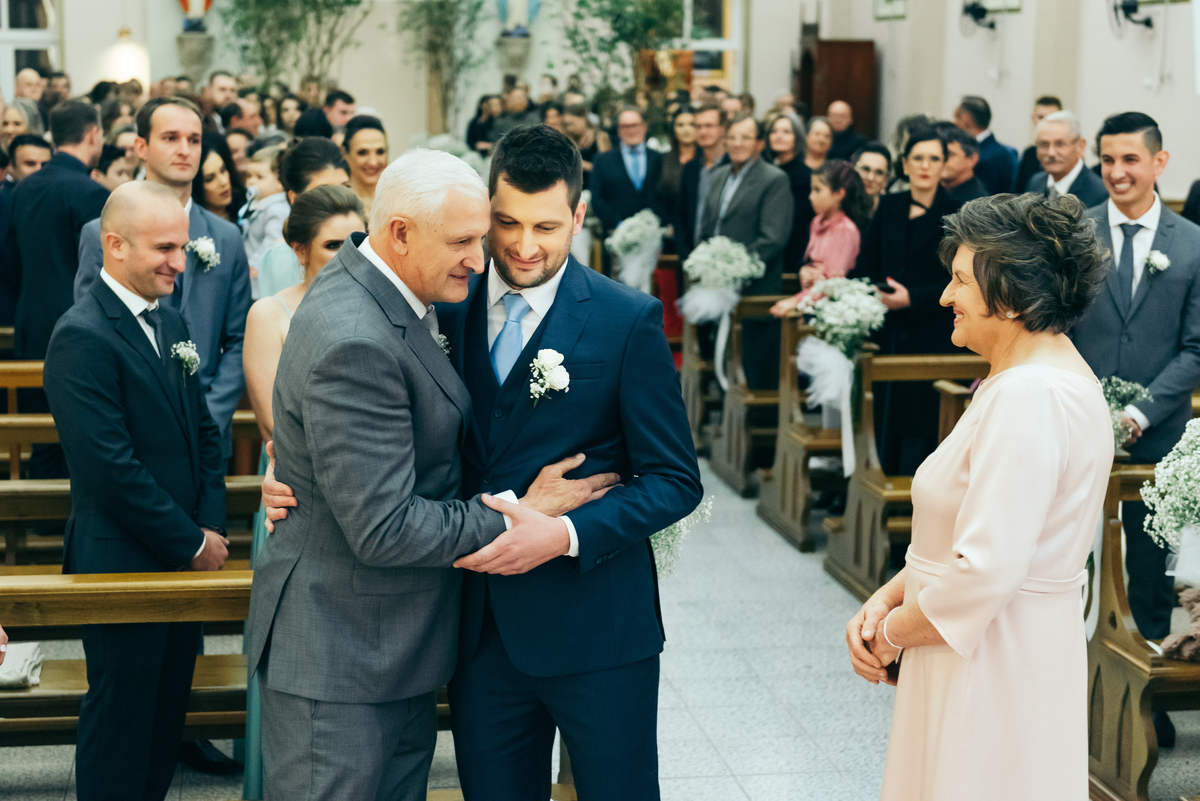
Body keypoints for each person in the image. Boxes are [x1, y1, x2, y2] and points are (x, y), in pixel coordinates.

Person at [248, 147, 607, 800]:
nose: (481, 257)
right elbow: (384, 527)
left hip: (387, 645)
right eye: (465, 240)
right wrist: (523, 507)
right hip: (342, 654)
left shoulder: (381, 285)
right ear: (400, 232)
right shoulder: (357, 336)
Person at [846, 191, 1113, 800]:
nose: (944, 296)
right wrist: (887, 598)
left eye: (961, 280)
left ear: (1012, 296)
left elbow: (983, 573)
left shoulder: (1033, 396)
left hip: (991, 655)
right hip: (976, 636)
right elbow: (959, 532)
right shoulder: (1024, 381)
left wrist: (887, 638)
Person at [44, 181, 231, 801]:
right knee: (121, 722)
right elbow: (109, 467)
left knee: (163, 719)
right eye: (165, 248)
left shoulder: (170, 319)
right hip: (119, 561)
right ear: (114, 246)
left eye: (182, 246)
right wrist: (189, 540)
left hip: (181, 558)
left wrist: (210, 528)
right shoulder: (82, 335)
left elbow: (203, 433)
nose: (180, 262)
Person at [1070, 112, 1200, 748]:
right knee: (1073, 563)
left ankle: (1145, 703)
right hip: (1076, 427)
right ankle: (1072, 692)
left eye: (1130, 160)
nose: (1117, 173)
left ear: (1159, 161)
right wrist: (1083, 402)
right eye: (1107, 161)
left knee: (1149, 574)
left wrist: (1137, 411)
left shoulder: (1193, 242)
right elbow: (1054, 326)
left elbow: (1197, 348)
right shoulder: (1075, 233)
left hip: (1157, 439)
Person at [239, 184, 366, 800]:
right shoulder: (274, 314)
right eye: (333, 244)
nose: (349, 253)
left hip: (364, 501)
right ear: (298, 249)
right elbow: (273, 425)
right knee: (300, 662)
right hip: (295, 495)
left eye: (357, 240)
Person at [76, 96, 253, 464]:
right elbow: (90, 336)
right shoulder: (101, 234)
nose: (185, 150)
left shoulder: (226, 237)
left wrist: (210, 417)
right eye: (171, 138)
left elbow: (238, 339)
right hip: (130, 436)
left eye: (194, 139)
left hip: (206, 433)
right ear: (141, 146)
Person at [850, 127, 963, 475]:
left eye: (934, 159)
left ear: (945, 165)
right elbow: (865, 262)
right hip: (887, 331)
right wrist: (874, 289)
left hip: (932, 332)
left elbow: (959, 279)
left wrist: (912, 298)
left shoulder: (958, 212)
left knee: (918, 425)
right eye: (918, 158)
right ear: (904, 164)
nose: (925, 166)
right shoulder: (890, 205)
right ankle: (870, 495)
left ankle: (911, 507)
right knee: (879, 416)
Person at [10, 101, 107, 478]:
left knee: (40, 433)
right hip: (73, 323)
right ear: (93, 135)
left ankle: (38, 520)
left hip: (30, 319)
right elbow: (98, 269)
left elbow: (10, 258)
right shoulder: (89, 192)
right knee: (76, 430)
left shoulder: (24, 187)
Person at [699, 115, 794, 390]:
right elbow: (708, 227)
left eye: (745, 137)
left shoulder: (774, 179)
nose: (737, 143)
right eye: (732, 138)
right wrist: (708, 263)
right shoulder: (718, 175)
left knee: (754, 367)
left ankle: (758, 425)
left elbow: (773, 238)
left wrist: (733, 269)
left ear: (760, 143)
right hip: (717, 283)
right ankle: (730, 421)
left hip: (755, 287)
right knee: (725, 357)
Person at [771, 159, 870, 316]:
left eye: (818, 190)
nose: (811, 197)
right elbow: (809, 261)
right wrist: (805, 271)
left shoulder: (845, 230)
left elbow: (833, 285)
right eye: (811, 190)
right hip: (810, 300)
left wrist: (795, 301)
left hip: (830, 310)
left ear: (839, 194)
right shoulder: (817, 221)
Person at [255, 137, 351, 298]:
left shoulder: (366, 244)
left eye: (345, 188)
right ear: (294, 199)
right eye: (323, 192)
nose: (338, 200)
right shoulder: (281, 257)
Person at [590, 107, 663, 239]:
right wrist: (618, 224)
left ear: (644, 127)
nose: (631, 130)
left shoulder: (658, 158)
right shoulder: (604, 160)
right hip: (616, 235)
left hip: (653, 235)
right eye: (625, 126)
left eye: (634, 125)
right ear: (619, 130)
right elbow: (597, 197)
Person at [677, 104, 729, 263]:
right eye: (698, 126)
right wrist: (686, 255)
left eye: (709, 126)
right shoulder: (691, 168)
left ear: (722, 128)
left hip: (724, 258)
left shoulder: (732, 167)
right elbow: (681, 214)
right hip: (692, 257)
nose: (703, 131)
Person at [1024, 110, 1108, 208]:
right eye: (1044, 145)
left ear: (1080, 146)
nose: (1051, 153)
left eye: (1060, 144)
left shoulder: (1100, 192)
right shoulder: (1035, 183)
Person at [765, 112, 815, 272]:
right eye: (774, 131)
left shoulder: (805, 176)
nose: (779, 136)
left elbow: (800, 223)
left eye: (786, 132)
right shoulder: (765, 170)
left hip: (791, 253)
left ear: (797, 137)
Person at [241, 145, 290, 284]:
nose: (251, 181)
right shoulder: (258, 204)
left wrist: (254, 264)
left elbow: (273, 240)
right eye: (249, 176)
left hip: (260, 273)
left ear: (280, 182)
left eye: (259, 177)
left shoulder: (277, 209)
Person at [954, 95, 1018, 195]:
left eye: (957, 117)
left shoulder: (985, 157)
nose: (955, 124)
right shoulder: (999, 150)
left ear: (966, 118)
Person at [655, 108, 697, 254]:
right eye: (680, 125)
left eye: (692, 124)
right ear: (673, 129)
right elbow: (655, 196)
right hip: (669, 232)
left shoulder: (706, 162)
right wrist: (668, 222)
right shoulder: (663, 159)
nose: (686, 130)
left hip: (697, 231)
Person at [1016, 95, 1063, 197]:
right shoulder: (1029, 154)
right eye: (1041, 117)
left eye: (1052, 118)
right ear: (1033, 118)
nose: (1045, 123)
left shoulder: (1067, 154)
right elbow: (1018, 193)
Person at [195, 131, 246, 223]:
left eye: (223, 170)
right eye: (210, 179)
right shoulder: (194, 228)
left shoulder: (248, 210)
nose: (223, 182)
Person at [343, 115, 388, 219]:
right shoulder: (336, 203)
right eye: (362, 153)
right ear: (345, 154)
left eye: (380, 152)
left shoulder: (399, 200)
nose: (373, 162)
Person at [561, 103, 610, 190]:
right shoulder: (569, 140)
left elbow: (607, 169)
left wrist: (580, 163)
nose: (569, 129)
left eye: (571, 124)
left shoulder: (599, 137)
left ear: (583, 119)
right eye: (566, 125)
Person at [938, 124, 988, 202]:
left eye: (949, 154)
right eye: (937, 155)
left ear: (972, 159)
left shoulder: (978, 204)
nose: (942, 160)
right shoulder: (934, 195)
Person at [854, 141, 892, 217]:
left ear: (886, 180)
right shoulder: (839, 206)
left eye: (879, 172)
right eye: (865, 169)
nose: (870, 178)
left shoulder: (893, 213)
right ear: (854, 170)